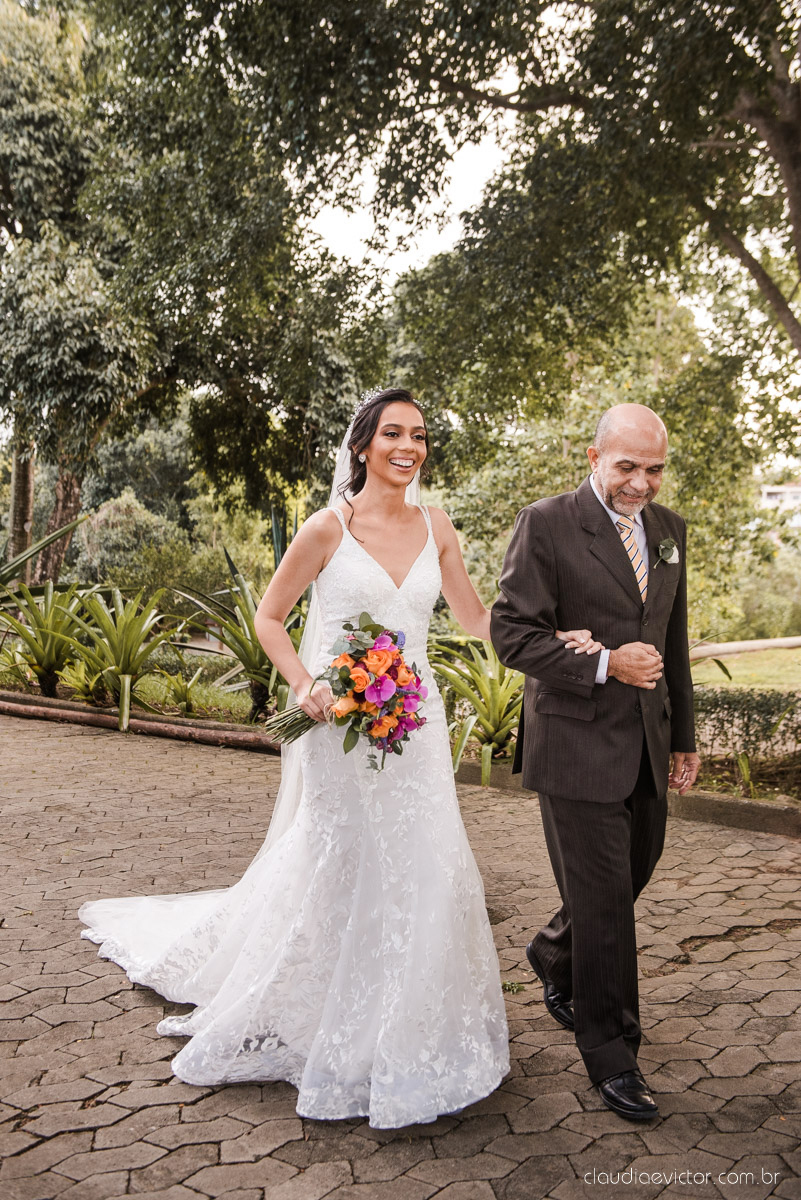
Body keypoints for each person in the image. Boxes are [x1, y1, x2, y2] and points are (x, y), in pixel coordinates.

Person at [79, 387, 599, 1128]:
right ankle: (323, 1003)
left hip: (416, 720)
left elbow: (479, 618)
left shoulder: (437, 526)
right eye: (393, 433)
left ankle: (412, 1016)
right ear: (362, 445)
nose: (409, 447)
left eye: (419, 435)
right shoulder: (328, 527)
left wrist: (553, 639)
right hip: (338, 722)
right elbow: (270, 617)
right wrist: (304, 684)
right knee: (343, 853)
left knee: (422, 857)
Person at [490, 403, 700, 1123]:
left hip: (646, 740)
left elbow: (672, 641)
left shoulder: (668, 531)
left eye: (654, 469)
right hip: (575, 743)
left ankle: (554, 953)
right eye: (627, 467)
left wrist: (683, 735)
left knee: (632, 872)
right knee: (607, 905)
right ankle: (612, 1053)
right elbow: (511, 634)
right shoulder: (546, 523)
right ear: (593, 457)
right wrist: (606, 662)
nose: (641, 483)